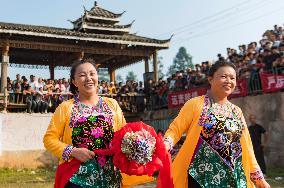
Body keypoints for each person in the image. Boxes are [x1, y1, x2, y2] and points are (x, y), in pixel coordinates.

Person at [43, 59, 153, 188]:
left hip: (111, 178)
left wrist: (140, 142)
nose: (88, 78)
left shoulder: (112, 105)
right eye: (82, 75)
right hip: (77, 179)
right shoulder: (65, 108)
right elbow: (49, 139)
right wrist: (73, 151)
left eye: (92, 73)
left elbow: (124, 137)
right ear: (74, 82)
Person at [163, 61, 270, 188]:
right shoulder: (195, 104)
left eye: (232, 78)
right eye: (224, 76)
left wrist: (258, 177)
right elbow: (175, 129)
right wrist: (166, 143)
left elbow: (246, 145)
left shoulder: (237, 111)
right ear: (210, 79)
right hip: (200, 176)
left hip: (233, 177)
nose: (229, 81)